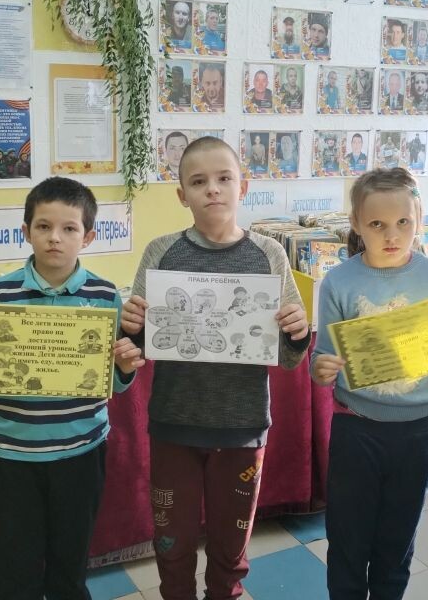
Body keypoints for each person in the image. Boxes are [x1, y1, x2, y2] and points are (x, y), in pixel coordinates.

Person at [120, 137, 310, 600]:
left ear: (243, 187)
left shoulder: (269, 254)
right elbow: (140, 346)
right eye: (198, 181)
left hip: (242, 427)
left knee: (230, 547)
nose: (213, 189)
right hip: (174, 425)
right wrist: (131, 327)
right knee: (172, 544)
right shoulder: (162, 252)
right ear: (181, 195)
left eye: (224, 178)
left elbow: (289, 358)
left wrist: (297, 331)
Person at [0, 177, 145, 600]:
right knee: (15, 571)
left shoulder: (105, 296)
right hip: (10, 456)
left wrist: (125, 369)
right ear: (26, 231)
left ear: (87, 237)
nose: (55, 237)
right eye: (43, 226)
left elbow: (111, 381)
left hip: (81, 452)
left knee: (69, 568)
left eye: (69, 228)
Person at [311, 168, 428, 600]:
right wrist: (320, 369)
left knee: (396, 544)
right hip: (356, 429)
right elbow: (323, 357)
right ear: (356, 224)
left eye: (403, 223)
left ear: (419, 219)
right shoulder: (339, 281)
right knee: (347, 542)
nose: (392, 235)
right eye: (377, 224)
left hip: (417, 432)